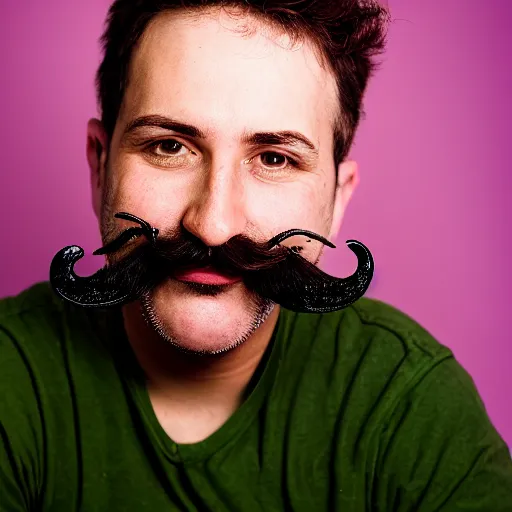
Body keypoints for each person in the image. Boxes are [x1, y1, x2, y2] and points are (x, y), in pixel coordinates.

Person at [1, 0, 511, 510]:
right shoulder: (12, 374)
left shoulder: (410, 402)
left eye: (275, 158)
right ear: (99, 166)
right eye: (169, 147)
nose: (214, 225)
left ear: (337, 201)